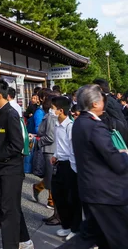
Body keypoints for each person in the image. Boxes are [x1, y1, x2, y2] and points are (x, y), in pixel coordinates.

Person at [56, 84, 128, 249]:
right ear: (95, 103)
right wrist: (123, 154)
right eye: (102, 98)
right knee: (120, 239)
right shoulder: (94, 126)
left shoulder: (80, 123)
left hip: (93, 190)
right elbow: (115, 160)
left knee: (90, 236)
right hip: (106, 193)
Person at [0, 78, 33, 249]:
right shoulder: (1, 112)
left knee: (9, 211)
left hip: (10, 170)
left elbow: (16, 145)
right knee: (11, 208)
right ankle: (25, 240)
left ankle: (11, 245)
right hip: (1, 168)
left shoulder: (10, 114)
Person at [49, 96, 81, 242]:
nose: (51, 110)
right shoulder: (57, 124)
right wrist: (55, 155)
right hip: (59, 164)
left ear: (61, 111)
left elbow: (73, 150)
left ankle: (76, 229)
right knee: (58, 196)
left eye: (53, 108)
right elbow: (60, 145)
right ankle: (66, 225)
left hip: (70, 165)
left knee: (72, 199)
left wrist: (74, 171)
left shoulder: (70, 126)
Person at [32, 94, 57, 211]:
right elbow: (49, 136)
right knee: (51, 175)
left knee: (51, 175)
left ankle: (38, 187)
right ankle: (51, 200)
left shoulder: (53, 115)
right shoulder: (49, 116)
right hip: (49, 149)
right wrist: (39, 142)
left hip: (55, 149)